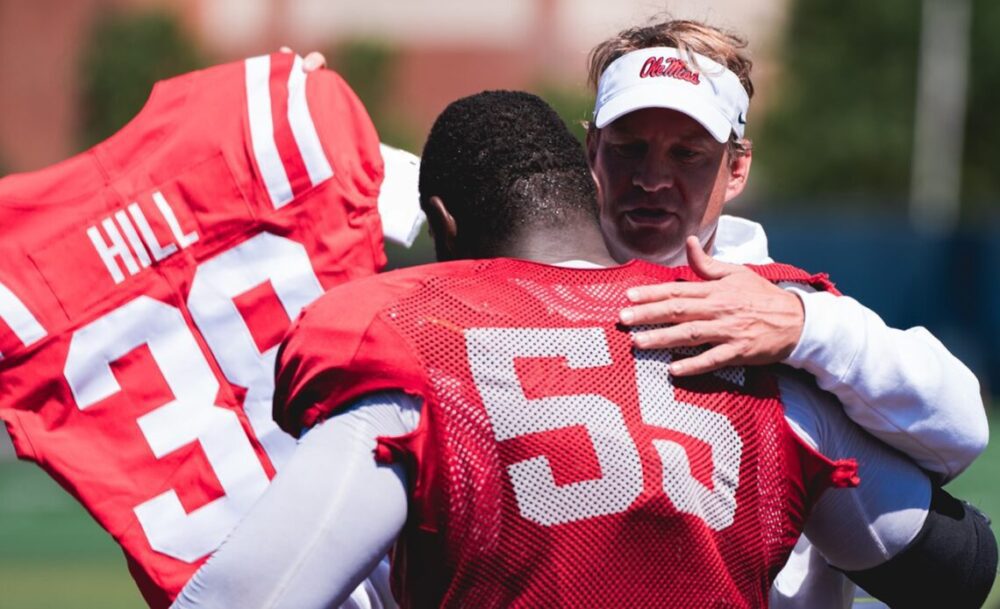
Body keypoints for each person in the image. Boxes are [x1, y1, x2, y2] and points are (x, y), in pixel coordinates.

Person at [171, 91, 995, 609]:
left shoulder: (418, 349)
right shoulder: (744, 337)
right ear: (586, 172)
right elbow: (958, 568)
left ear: (445, 223)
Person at [580, 19, 990, 607]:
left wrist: (805, 327)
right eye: (629, 148)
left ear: (738, 168)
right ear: (591, 150)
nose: (652, 178)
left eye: (688, 153)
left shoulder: (793, 309)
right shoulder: (532, 287)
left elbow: (962, 428)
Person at [0, 52, 421, 608]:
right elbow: (431, 210)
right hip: (394, 550)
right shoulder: (276, 110)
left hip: (217, 586)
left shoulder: (15, 261)